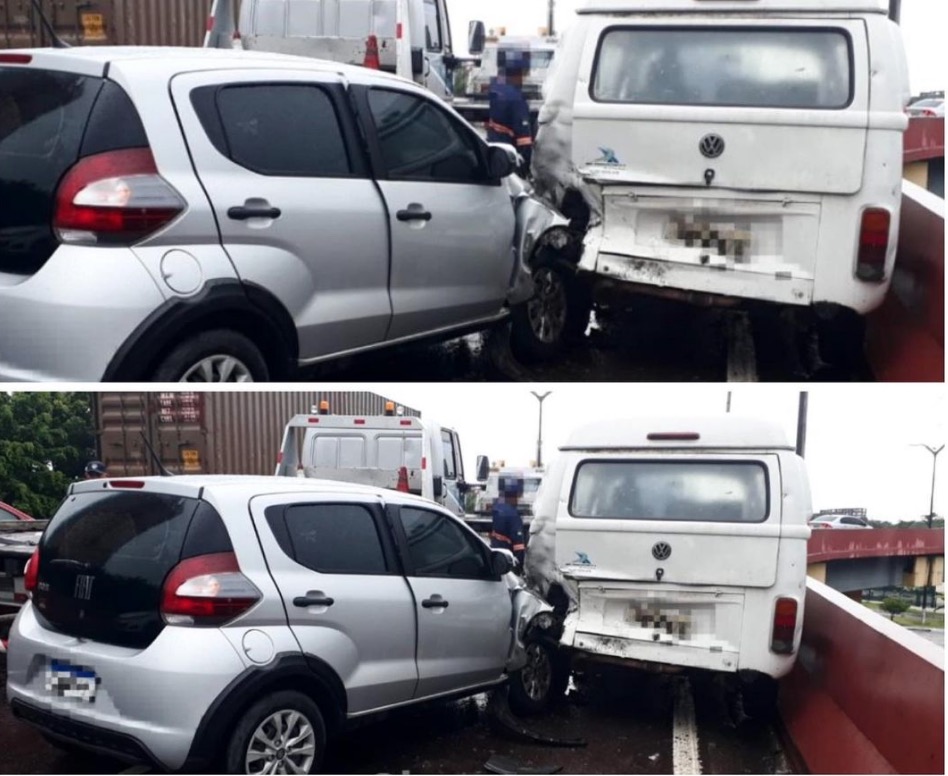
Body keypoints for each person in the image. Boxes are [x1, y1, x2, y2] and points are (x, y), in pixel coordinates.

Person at [487, 49, 534, 170]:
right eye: (524, 73)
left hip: (496, 152)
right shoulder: (516, 100)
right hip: (510, 157)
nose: (525, 77)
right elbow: (524, 139)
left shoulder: (497, 90)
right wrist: (525, 167)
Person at [490, 475, 526, 565]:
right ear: (515, 495)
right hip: (507, 559)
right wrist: (519, 565)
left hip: (497, 555)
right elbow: (518, 546)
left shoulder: (498, 509)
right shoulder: (513, 516)